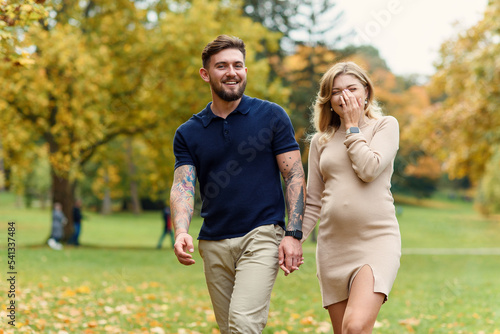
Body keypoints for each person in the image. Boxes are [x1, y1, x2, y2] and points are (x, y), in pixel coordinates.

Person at [170, 35, 306, 334]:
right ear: (206, 74)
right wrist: (181, 230)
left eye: (238, 65)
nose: (232, 72)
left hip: (261, 235)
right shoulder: (189, 132)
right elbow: (183, 185)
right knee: (230, 328)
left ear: (245, 70)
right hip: (214, 241)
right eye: (222, 66)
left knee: (244, 324)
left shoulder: (271, 116)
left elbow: (294, 175)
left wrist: (293, 233)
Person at [302, 61, 401, 334]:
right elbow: (313, 200)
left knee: (355, 327)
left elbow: (369, 169)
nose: (344, 96)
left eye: (352, 88)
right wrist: (294, 238)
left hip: (376, 241)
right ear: (328, 100)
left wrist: (353, 127)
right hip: (333, 248)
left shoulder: (385, 126)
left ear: (366, 92)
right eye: (336, 91)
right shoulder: (320, 141)